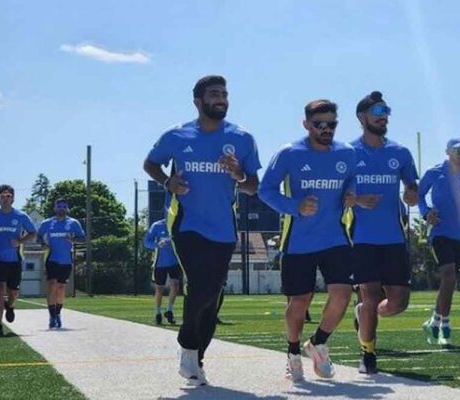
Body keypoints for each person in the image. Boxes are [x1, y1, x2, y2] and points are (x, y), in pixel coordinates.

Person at [143, 75, 261, 386]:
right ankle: (187, 343)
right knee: (201, 285)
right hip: (186, 223)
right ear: (198, 101)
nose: (221, 98)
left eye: (224, 93)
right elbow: (150, 164)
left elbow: (252, 186)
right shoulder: (176, 135)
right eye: (214, 94)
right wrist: (167, 182)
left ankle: (197, 357)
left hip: (223, 228)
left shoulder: (242, 138)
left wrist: (238, 173)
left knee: (213, 294)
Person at [259, 99, 356, 382]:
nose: (326, 129)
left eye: (331, 124)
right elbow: (266, 190)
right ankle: (292, 353)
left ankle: (318, 343)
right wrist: (295, 206)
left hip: (335, 238)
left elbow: (352, 181)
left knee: (342, 295)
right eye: (319, 124)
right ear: (306, 124)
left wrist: (351, 194)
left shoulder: (347, 153)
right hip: (298, 241)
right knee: (300, 301)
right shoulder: (289, 153)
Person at [346, 91, 418, 374]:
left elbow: (412, 187)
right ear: (362, 117)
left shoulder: (400, 153)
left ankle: (363, 312)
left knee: (399, 302)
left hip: (394, 238)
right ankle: (368, 355)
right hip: (361, 238)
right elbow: (337, 194)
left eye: (386, 112)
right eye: (378, 112)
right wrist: (357, 200)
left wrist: (412, 194)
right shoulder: (347, 153)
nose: (383, 117)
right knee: (370, 295)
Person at [419, 138, 460, 346]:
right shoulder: (435, 172)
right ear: (448, 151)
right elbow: (419, 195)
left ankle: (434, 320)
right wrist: (426, 213)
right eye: (458, 150)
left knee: (450, 280)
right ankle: (445, 326)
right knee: (449, 275)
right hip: (440, 231)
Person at [0, 185, 37, 337]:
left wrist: (20, 241)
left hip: (14, 260)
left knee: (14, 292)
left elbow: (33, 232)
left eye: (8, 196)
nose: (5, 199)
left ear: (13, 198)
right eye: (2, 196)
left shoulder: (21, 216)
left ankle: (10, 305)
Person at [37, 198, 85, 329]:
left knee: (61, 287)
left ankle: (58, 313)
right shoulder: (47, 223)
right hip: (52, 258)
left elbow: (83, 238)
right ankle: (52, 316)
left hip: (66, 259)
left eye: (64, 206)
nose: (61, 209)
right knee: (52, 284)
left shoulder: (73, 223)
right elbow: (39, 236)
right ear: (55, 208)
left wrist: (73, 239)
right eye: (59, 206)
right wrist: (43, 244)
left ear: (67, 208)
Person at [143, 218, 182, 325]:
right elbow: (146, 242)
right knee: (159, 288)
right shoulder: (157, 225)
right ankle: (158, 312)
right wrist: (157, 244)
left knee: (175, 286)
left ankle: (169, 310)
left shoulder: (178, 223)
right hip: (160, 263)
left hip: (175, 262)